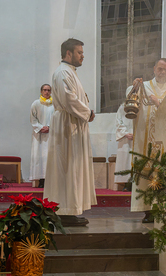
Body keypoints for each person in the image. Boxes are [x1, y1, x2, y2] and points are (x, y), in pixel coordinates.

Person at [43, 38, 96, 226]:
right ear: (68, 53)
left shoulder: (69, 72)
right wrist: (87, 113)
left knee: (72, 167)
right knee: (67, 167)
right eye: (79, 52)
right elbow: (69, 99)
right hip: (67, 125)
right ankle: (65, 212)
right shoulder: (62, 72)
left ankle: (70, 209)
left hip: (73, 123)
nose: (83, 56)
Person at [127, 58, 166, 222]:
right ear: (154, 69)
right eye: (160, 69)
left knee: (162, 173)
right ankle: (148, 210)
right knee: (146, 174)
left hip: (164, 141)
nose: (162, 72)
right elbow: (129, 97)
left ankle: (163, 208)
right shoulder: (144, 86)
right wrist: (134, 87)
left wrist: (157, 102)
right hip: (145, 140)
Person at [29, 84, 54, 188]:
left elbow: (57, 118)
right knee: (39, 157)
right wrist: (40, 127)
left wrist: (49, 127)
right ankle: (41, 180)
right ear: (41, 91)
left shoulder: (55, 105)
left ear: (51, 92)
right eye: (45, 90)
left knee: (49, 157)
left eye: (48, 90)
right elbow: (32, 118)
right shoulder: (36, 103)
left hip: (51, 135)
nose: (46, 92)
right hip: (38, 135)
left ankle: (50, 180)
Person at [114, 103, 133, 191]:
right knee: (126, 161)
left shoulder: (142, 105)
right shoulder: (123, 106)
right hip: (126, 137)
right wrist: (125, 133)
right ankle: (127, 183)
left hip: (138, 136)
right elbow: (118, 121)